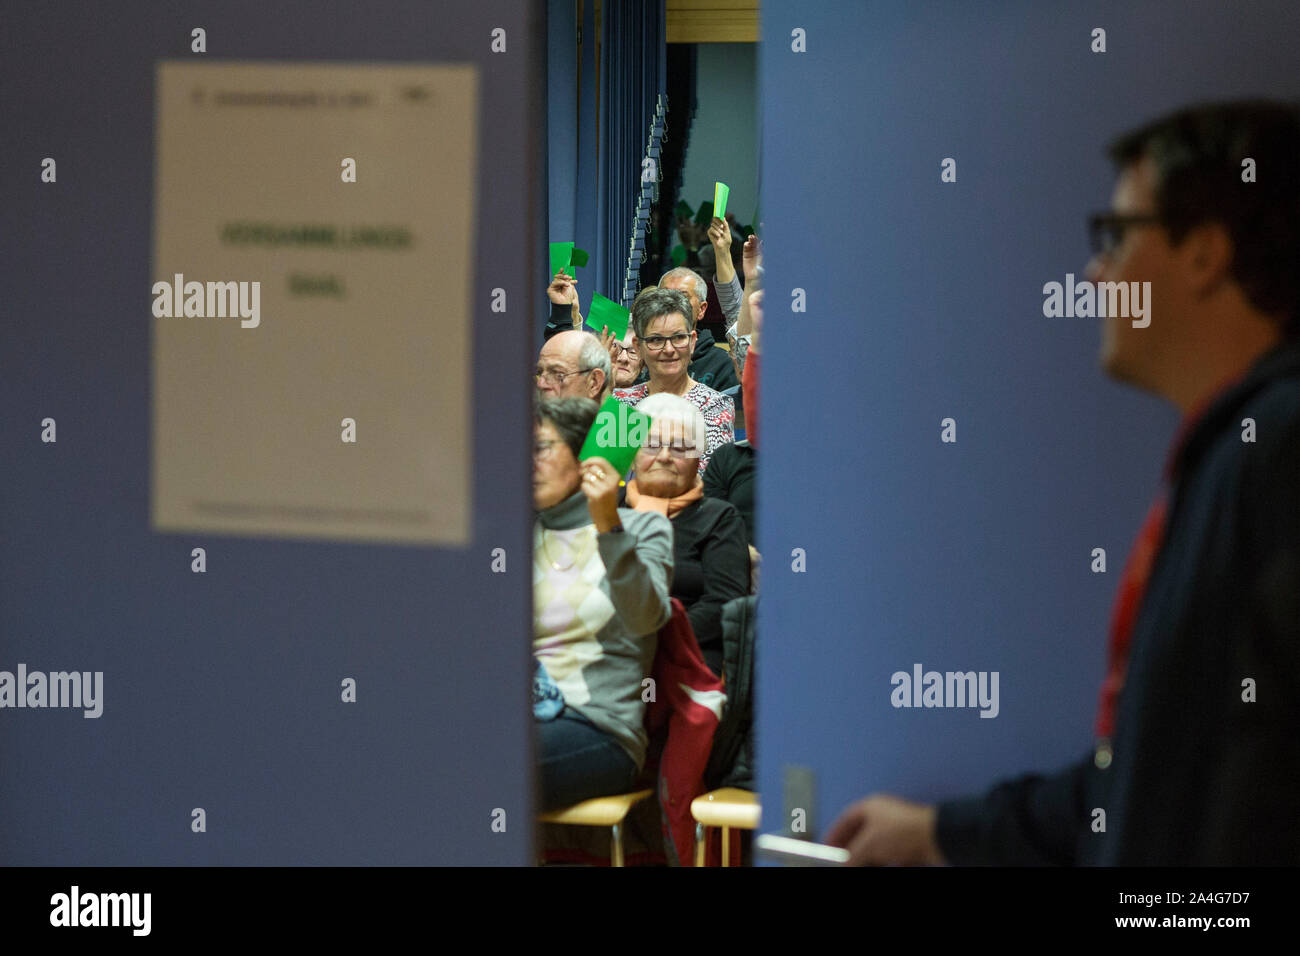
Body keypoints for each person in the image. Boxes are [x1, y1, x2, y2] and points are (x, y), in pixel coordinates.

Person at [826, 100, 1300, 866]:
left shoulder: (1275, 453)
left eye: (1116, 237)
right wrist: (940, 834)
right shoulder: (1233, 455)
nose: (1094, 270)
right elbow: (1148, 777)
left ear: (1205, 253)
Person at [533, 397, 674, 812]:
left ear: (585, 459)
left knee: (475, 766)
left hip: (597, 726)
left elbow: (645, 616)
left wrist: (608, 525)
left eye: (540, 448)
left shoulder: (644, 527)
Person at [622, 393, 749, 678]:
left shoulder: (719, 518)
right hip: (610, 654)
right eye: (651, 445)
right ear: (632, 457)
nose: (664, 456)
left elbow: (723, 603)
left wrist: (653, 641)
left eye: (679, 447)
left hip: (687, 658)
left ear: (697, 459)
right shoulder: (608, 510)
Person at [614, 287, 735, 475]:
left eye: (678, 337)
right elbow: (603, 477)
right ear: (638, 347)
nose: (669, 349)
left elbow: (710, 481)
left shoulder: (715, 406)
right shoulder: (619, 404)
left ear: (693, 341)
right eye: (656, 340)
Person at [660, 259, 740, 391]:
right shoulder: (637, 352)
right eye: (664, 295)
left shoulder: (722, 364)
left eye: (682, 297)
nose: (671, 303)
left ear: (701, 309)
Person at [535, 329, 611, 401]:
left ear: (594, 383)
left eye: (558, 375)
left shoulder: (619, 412)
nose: (541, 384)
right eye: (539, 373)